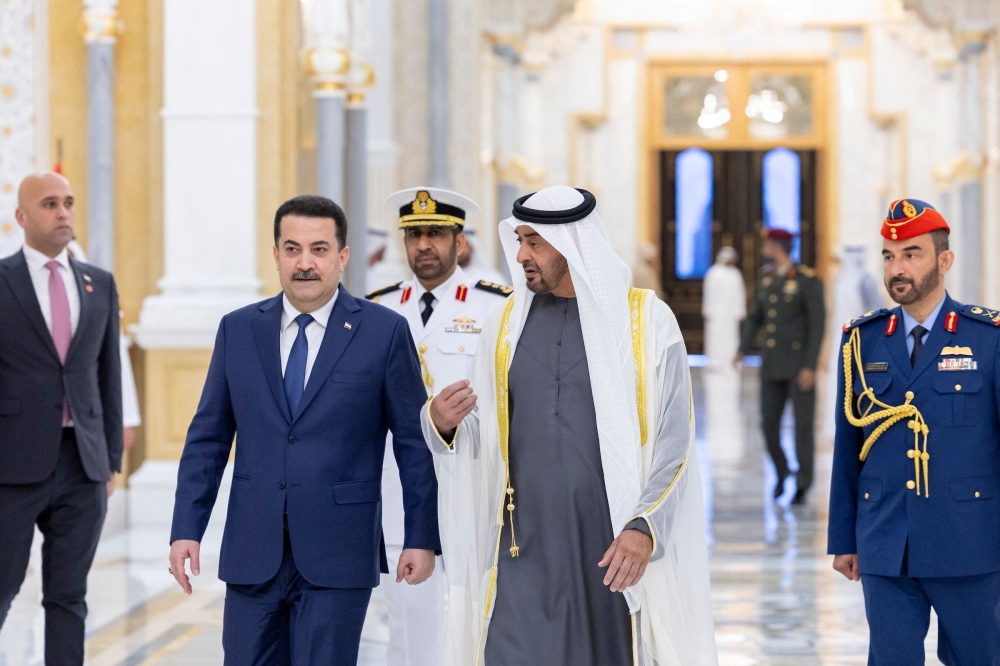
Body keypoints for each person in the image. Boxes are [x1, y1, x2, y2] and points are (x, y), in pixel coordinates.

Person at [424, 186, 717, 666]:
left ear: (571, 243)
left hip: (610, 545)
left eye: (534, 242)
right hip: (521, 543)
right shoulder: (504, 326)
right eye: (519, 241)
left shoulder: (646, 322)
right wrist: (444, 425)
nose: (521, 255)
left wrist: (644, 526)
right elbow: (487, 439)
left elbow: (675, 442)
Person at [168, 195, 440, 665]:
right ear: (276, 255)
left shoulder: (384, 332)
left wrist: (421, 536)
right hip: (253, 549)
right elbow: (207, 439)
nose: (305, 263)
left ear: (342, 256)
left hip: (339, 551)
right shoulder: (237, 330)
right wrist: (185, 528)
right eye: (292, 249)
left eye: (319, 249)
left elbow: (414, 445)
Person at [829, 199, 1000, 664]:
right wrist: (844, 539)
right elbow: (848, 446)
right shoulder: (862, 340)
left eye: (911, 254)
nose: (897, 269)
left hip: (969, 541)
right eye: (889, 256)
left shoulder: (986, 337)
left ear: (945, 261)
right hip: (886, 540)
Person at [366, 187, 511, 666]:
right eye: (414, 235)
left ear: (459, 242)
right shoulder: (378, 308)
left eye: (435, 234)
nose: (424, 245)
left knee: (482, 617)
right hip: (397, 489)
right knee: (411, 626)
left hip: (472, 480)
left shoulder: (496, 307)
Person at [0, 172, 123, 665]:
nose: (63, 212)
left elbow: (108, 375)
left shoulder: (99, 284)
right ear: (21, 216)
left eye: (68, 202)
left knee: (69, 596)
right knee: (3, 585)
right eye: (49, 204)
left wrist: (110, 459)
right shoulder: (2, 281)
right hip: (11, 465)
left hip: (83, 464)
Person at [737, 228, 824, 505]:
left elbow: (817, 325)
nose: (763, 248)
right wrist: (742, 348)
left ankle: (803, 483)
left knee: (802, 428)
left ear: (777, 246)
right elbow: (756, 318)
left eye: (767, 244)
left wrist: (810, 366)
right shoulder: (767, 279)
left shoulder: (806, 279)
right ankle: (782, 470)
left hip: (799, 367)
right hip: (773, 365)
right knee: (768, 425)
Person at [823, 245, 882, 440]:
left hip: (860, 343)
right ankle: (836, 430)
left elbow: (877, 312)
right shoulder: (840, 280)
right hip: (840, 341)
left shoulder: (865, 281)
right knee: (838, 385)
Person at [703, 246, 746, 375]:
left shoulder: (735, 274)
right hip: (717, 314)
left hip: (730, 314)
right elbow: (709, 293)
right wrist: (708, 310)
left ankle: (732, 361)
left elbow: (740, 294)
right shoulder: (713, 273)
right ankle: (715, 361)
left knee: (731, 337)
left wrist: (740, 310)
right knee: (715, 337)